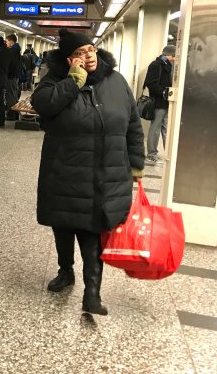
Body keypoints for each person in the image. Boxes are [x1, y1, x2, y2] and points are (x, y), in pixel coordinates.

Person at [31, 29, 144, 316]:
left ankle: (92, 293)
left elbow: (132, 123)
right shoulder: (55, 81)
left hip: (105, 170)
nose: (88, 56)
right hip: (65, 168)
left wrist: (137, 164)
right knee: (64, 223)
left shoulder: (116, 82)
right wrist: (73, 81)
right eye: (80, 53)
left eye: (90, 49)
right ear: (69, 59)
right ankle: (65, 270)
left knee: (94, 229)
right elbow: (42, 105)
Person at [143, 45, 175, 165]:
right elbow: (150, 83)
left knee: (167, 129)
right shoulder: (155, 65)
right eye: (174, 56)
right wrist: (163, 91)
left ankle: (169, 155)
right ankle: (151, 155)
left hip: (167, 102)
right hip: (158, 102)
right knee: (155, 129)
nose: (174, 59)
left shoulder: (168, 65)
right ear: (168, 54)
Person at [4, 34, 22, 119]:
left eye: (7, 41)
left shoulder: (12, 51)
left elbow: (10, 65)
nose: (6, 43)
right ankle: (15, 114)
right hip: (15, 76)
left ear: (11, 41)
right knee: (14, 95)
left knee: (10, 95)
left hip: (11, 76)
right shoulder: (16, 50)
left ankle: (11, 115)